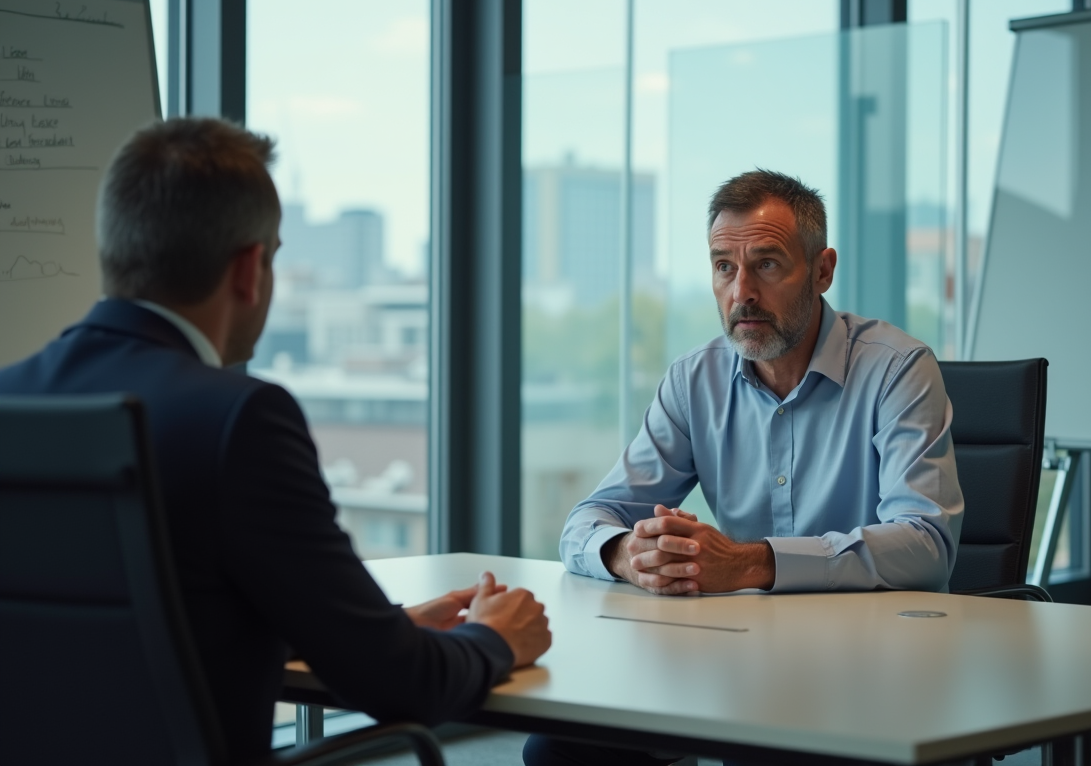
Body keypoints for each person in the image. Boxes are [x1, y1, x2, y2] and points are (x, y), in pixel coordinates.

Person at [0, 117, 551, 763]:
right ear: (249, 269)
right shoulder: (238, 419)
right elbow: (405, 687)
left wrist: (374, 630)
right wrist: (494, 638)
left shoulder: (12, 398)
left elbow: (139, 633)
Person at [523, 169, 963, 766]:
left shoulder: (898, 369)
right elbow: (588, 518)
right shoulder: (694, 379)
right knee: (561, 749)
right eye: (724, 267)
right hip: (736, 656)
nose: (742, 292)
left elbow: (926, 543)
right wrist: (629, 553)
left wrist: (750, 562)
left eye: (767, 265)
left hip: (871, 666)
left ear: (823, 271)